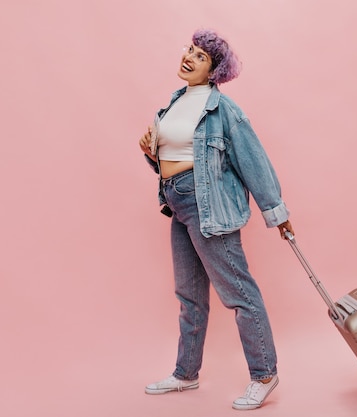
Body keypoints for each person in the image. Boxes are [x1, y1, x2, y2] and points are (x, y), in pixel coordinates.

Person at [138, 29, 294, 411]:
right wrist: (149, 152)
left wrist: (277, 214)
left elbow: (253, 161)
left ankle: (264, 373)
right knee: (189, 296)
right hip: (176, 202)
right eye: (189, 50)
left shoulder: (223, 109)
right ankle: (185, 374)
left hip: (210, 209)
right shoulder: (175, 102)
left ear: (214, 71)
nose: (189, 57)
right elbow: (170, 160)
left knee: (239, 293)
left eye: (200, 56)